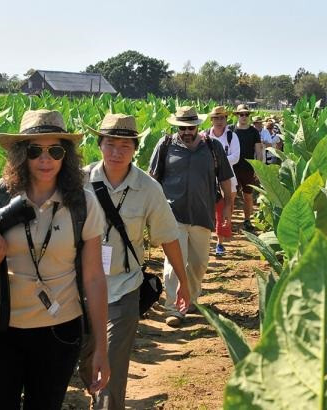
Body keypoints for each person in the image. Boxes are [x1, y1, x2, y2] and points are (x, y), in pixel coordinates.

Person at [0, 109, 110, 409]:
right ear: (21, 154)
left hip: (58, 332)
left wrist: (101, 348)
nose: (46, 159)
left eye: (55, 150)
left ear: (65, 156)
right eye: (35, 151)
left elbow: (94, 277)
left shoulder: (83, 203)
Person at [79, 113, 192, 410]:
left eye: (125, 146)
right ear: (99, 144)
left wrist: (182, 280)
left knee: (113, 360)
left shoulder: (149, 188)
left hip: (123, 286)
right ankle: (95, 393)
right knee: (86, 357)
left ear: (135, 148)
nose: (117, 152)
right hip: (79, 290)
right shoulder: (79, 182)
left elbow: (168, 237)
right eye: (110, 144)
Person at [148, 106, 233, 327]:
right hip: (172, 215)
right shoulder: (166, 145)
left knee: (198, 263)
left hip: (202, 214)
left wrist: (228, 206)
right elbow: (152, 179)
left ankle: (191, 298)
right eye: (182, 128)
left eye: (191, 127)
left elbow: (225, 178)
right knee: (174, 262)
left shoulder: (212, 147)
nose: (186, 132)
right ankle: (174, 307)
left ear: (198, 126)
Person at [205, 106, 240, 257]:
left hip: (228, 178)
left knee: (225, 210)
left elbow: (236, 156)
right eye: (216, 118)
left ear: (226, 119)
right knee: (207, 211)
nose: (219, 121)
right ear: (211, 120)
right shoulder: (204, 136)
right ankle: (206, 242)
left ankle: (220, 243)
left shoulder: (232, 136)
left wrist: (217, 160)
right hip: (208, 179)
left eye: (222, 118)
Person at [230, 104, 263, 233]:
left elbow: (259, 151)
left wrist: (258, 168)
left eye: (246, 114)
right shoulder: (231, 130)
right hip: (233, 168)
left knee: (248, 196)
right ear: (237, 115)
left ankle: (247, 220)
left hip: (248, 168)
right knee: (231, 196)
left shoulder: (253, 131)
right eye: (241, 114)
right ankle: (229, 220)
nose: (244, 117)